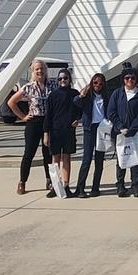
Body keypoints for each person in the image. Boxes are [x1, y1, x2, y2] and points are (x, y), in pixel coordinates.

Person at [7, 60, 51, 195]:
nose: (40, 71)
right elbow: (11, 102)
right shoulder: (28, 87)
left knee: (48, 153)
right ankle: (22, 182)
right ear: (33, 71)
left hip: (48, 122)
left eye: (42, 68)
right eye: (37, 69)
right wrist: (22, 116)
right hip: (34, 122)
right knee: (29, 153)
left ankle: (50, 180)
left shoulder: (52, 85)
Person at [108, 67, 138, 197]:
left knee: (136, 159)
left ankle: (136, 186)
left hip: (135, 132)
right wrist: (120, 127)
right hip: (119, 133)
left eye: (132, 78)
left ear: (136, 80)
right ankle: (120, 185)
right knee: (121, 159)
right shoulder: (117, 94)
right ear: (123, 80)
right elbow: (111, 112)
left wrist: (132, 129)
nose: (130, 80)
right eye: (127, 78)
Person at [42, 68, 80, 198]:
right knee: (55, 160)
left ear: (69, 79)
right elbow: (48, 115)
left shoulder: (75, 93)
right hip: (55, 131)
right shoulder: (53, 95)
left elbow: (80, 109)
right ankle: (55, 185)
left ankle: (66, 185)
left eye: (65, 78)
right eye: (60, 79)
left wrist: (78, 119)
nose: (62, 80)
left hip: (69, 131)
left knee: (67, 159)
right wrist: (46, 133)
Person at [74, 72, 109, 197]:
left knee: (99, 160)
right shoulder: (88, 96)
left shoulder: (105, 96)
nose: (98, 85)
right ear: (91, 83)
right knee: (87, 159)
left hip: (102, 129)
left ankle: (96, 187)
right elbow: (76, 102)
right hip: (90, 128)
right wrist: (82, 94)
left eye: (100, 83)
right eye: (95, 83)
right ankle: (80, 188)